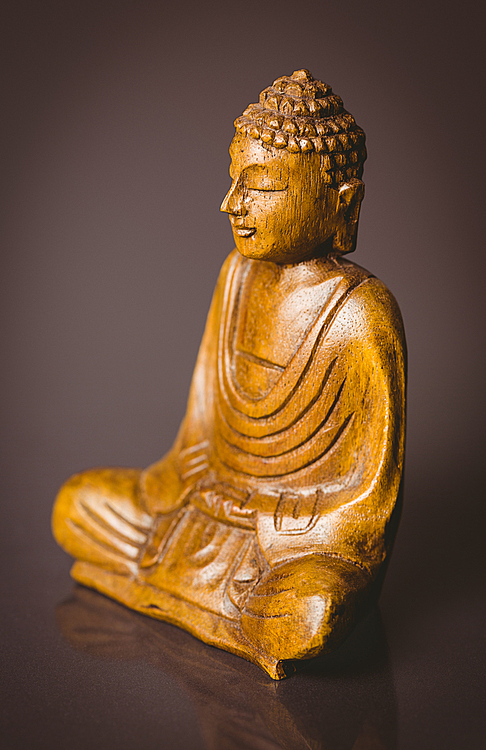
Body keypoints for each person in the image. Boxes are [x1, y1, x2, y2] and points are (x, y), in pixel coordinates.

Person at [52, 70, 406, 679]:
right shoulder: (235, 278)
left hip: (290, 543)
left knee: (310, 613)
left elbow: (371, 499)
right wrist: (189, 484)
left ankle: (208, 593)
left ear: (340, 201)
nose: (231, 202)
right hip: (204, 512)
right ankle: (213, 596)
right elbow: (200, 431)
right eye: (233, 178)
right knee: (76, 504)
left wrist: (267, 514)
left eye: (260, 183)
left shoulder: (362, 314)